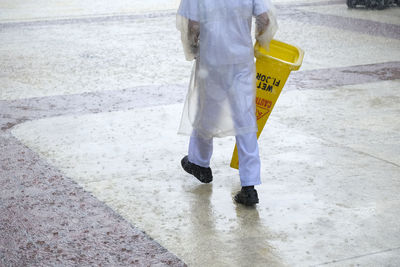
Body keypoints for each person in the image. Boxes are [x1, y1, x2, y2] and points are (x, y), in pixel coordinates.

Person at [176, 0, 277, 206]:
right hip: (241, 60)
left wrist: (194, 47)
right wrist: (258, 39)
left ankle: (200, 163)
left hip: (212, 58)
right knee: (245, 118)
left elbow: (192, 24)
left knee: (207, 111)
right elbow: (265, 19)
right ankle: (249, 185)